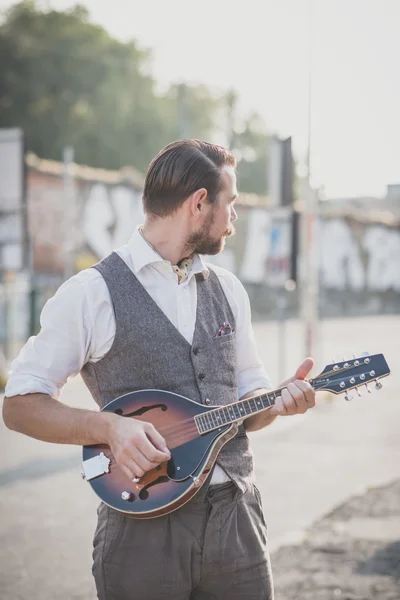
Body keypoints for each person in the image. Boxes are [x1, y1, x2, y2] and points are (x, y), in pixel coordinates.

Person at [3, 139, 316, 600]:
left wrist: (280, 401)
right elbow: (19, 405)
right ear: (198, 204)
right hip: (143, 532)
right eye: (230, 204)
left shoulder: (229, 289)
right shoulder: (91, 293)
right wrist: (108, 428)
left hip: (238, 523)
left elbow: (250, 407)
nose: (233, 219)